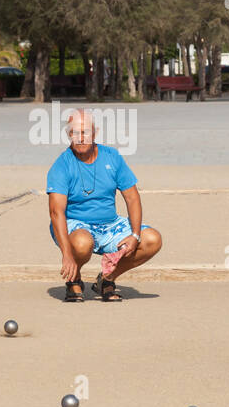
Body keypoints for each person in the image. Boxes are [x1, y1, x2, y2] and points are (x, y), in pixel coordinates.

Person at [47, 110, 162, 302]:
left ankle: (107, 279)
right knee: (83, 243)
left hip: (110, 224)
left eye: (85, 132)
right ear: (69, 135)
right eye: (75, 133)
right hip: (74, 224)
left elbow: (132, 197)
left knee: (152, 239)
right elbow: (56, 212)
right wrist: (66, 254)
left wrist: (134, 235)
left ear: (95, 133)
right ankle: (74, 279)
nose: (81, 138)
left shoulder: (112, 157)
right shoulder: (61, 165)